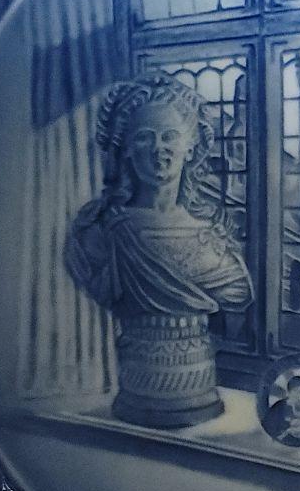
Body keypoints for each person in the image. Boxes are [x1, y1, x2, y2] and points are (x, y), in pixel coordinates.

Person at [66, 73, 252, 427]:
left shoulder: (210, 231)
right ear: (126, 148)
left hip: (198, 384)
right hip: (138, 382)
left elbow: (237, 292)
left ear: (190, 147)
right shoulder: (101, 230)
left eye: (169, 136)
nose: (158, 150)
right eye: (144, 137)